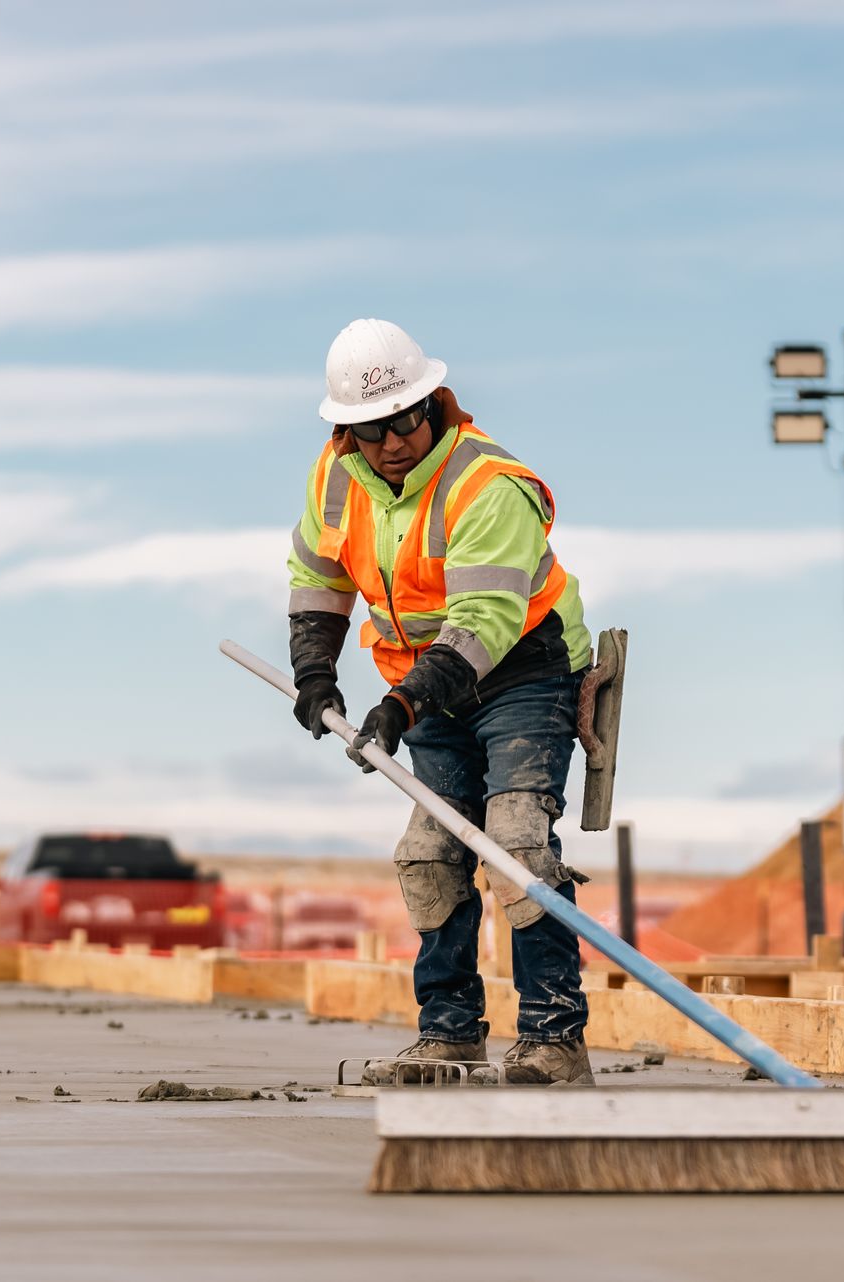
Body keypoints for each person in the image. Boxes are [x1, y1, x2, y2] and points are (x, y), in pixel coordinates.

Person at [285, 318, 596, 1085]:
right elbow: (318, 579)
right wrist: (314, 671)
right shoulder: (335, 481)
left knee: (517, 846)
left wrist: (400, 708)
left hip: (523, 672)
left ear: (433, 403)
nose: (391, 441)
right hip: (432, 686)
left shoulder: (489, 485)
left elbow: (484, 623)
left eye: (405, 420)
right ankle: (450, 1032)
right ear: (345, 431)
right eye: (369, 429)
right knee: (428, 856)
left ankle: (555, 1039)